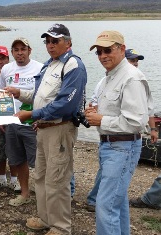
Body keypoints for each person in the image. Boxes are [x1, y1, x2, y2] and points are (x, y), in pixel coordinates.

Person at [6, 24, 87, 234]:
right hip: (42, 129)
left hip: (59, 129)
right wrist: (19, 93)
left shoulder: (73, 65)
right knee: (41, 176)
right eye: (47, 41)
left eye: (55, 41)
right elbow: (39, 95)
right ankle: (45, 218)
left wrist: (31, 114)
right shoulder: (48, 65)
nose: (50, 45)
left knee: (57, 180)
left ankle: (61, 227)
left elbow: (66, 104)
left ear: (68, 42)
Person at [85, 30, 150, 234]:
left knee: (105, 205)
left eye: (108, 50)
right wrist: (95, 112)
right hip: (110, 146)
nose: (103, 55)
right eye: (99, 52)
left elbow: (136, 122)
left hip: (123, 147)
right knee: (117, 202)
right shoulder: (108, 78)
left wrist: (101, 119)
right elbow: (117, 111)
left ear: (122, 49)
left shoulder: (132, 78)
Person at [0, 37, 43, 206]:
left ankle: (43, 197)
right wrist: (2, 118)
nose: (20, 53)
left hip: (31, 123)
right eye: (16, 50)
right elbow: (3, 94)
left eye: (23, 49)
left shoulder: (40, 68)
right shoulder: (6, 69)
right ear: (12, 53)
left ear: (29, 51)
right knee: (17, 160)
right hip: (12, 122)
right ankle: (24, 194)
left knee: (39, 163)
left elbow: (43, 97)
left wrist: (41, 119)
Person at [0, 46, 21, 191]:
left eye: (3, 58)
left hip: (12, 118)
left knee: (13, 150)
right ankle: (2, 178)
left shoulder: (13, 72)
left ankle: (14, 179)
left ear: (8, 58)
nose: (0, 61)